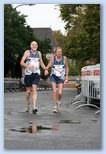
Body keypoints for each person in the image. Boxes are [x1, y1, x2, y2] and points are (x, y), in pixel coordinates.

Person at [20, 41, 48, 114]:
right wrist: (27, 66)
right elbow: (21, 62)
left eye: (36, 45)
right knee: (28, 92)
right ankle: (27, 104)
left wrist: (45, 69)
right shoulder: (27, 52)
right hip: (28, 74)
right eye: (33, 44)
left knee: (34, 88)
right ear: (30, 46)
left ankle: (34, 107)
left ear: (37, 46)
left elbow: (41, 62)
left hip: (36, 73)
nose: (34, 46)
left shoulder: (39, 53)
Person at [46, 47, 69, 113]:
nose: (59, 53)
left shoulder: (64, 58)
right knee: (54, 91)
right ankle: (55, 107)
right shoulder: (53, 58)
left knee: (60, 92)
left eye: (60, 52)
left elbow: (67, 67)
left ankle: (58, 100)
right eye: (58, 52)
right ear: (55, 53)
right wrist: (46, 69)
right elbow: (49, 65)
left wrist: (67, 76)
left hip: (61, 77)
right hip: (53, 76)